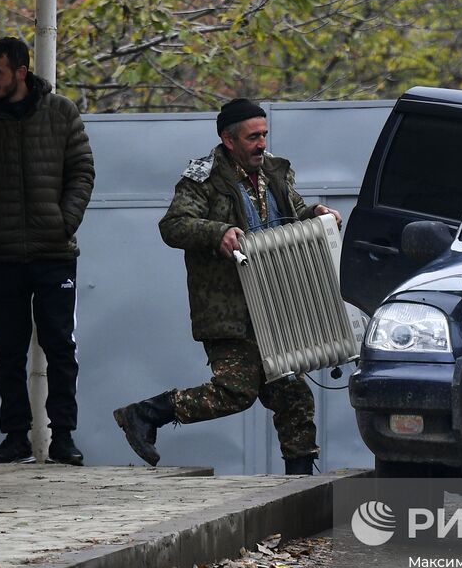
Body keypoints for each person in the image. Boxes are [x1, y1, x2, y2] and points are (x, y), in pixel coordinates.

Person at [112, 98, 340, 475]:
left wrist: (316, 213)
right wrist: (218, 232)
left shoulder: (275, 173)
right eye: (253, 137)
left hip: (272, 305)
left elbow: (293, 212)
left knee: (293, 396)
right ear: (228, 139)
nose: (262, 143)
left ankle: (301, 484)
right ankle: (145, 414)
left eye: (264, 134)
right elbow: (173, 225)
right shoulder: (202, 178)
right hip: (228, 310)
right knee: (237, 391)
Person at [0, 37, 95, 466]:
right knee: (7, 351)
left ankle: (63, 437)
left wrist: (64, 221)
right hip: (2, 256)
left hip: (55, 255)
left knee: (60, 347)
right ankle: (15, 437)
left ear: (20, 72)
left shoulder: (62, 112)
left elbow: (83, 171)